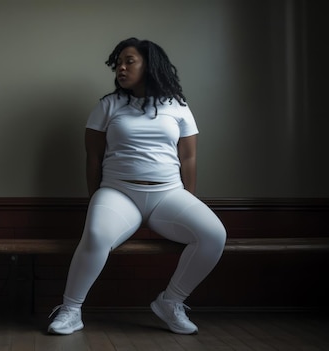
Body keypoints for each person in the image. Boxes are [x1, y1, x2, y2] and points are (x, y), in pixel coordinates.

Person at [47, 37, 227, 335]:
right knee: (95, 234)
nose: (121, 66)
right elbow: (93, 157)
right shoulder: (108, 105)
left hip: (168, 195)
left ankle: (170, 302)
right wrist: (97, 200)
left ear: (150, 65)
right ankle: (71, 310)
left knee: (214, 235)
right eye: (118, 62)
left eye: (129, 61)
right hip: (118, 193)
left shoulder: (178, 106)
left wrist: (187, 200)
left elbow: (189, 158)